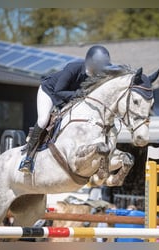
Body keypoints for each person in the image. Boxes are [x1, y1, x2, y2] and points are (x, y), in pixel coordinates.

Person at [19, 45, 112, 173]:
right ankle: (28, 158)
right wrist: (77, 94)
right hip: (50, 92)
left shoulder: (96, 77)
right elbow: (58, 91)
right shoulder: (72, 68)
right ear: (91, 62)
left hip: (70, 97)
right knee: (43, 119)